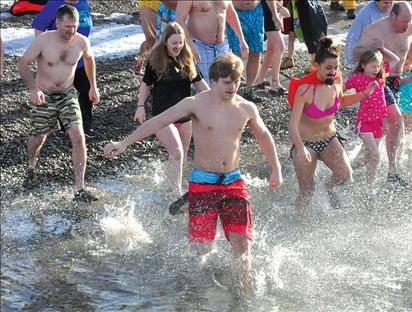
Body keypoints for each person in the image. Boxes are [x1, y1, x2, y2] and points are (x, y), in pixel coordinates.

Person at [104, 53, 283, 291]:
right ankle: (199, 296)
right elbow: (158, 121)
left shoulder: (246, 108)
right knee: (202, 250)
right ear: (214, 80)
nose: (233, 86)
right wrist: (124, 143)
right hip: (203, 183)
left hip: (233, 182)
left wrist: (276, 169)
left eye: (237, 81)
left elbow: (264, 136)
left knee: (242, 244)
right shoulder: (195, 104)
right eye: (227, 82)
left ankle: (242, 295)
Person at [18, 5, 99, 202]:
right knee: (39, 137)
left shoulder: (81, 42)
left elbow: (89, 59)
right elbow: (22, 63)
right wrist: (33, 89)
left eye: (75, 26)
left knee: (78, 137)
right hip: (44, 94)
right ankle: (31, 164)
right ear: (58, 23)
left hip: (67, 94)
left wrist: (93, 86)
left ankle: (79, 189)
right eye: (67, 27)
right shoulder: (44, 41)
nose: (71, 31)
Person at [288, 37, 368, 209]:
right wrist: (300, 148)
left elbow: (342, 100)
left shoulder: (337, 82)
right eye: (328, 68)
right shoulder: (305, 90)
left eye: (336, 67)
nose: (333, 72)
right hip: (306, 144)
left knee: (345, 174)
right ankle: (300, 224)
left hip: (329, 139)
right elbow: (292, 125)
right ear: (316, 66)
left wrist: (363, 95)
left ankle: (329, 187)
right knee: (307, 192)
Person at [132, 22, 208, 195]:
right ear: (165, 41)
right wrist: (140, 106)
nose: (178, 46)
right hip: (163, 117)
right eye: (174, 42)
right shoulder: (155, 60)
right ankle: (176, 192)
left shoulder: (187, 59)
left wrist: (218, 100)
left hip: (185, 117)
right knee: (177, 152)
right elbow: (145, 85)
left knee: (179, 157)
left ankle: (168, 187)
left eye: (181, 42)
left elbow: (200, 85)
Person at [353, 1, 412, 185]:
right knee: (397, 120)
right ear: (393, 16)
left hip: (397, 81)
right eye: (403, 22)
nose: (406, 26)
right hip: (381, 80)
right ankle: (392, 172)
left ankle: (350, 166)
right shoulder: (376, 30)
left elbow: (410, 42)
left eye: (409, 22)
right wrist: (370, 49)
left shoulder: (409, 28)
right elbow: (355, 52)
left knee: (384, 131)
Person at [32, 0, 97, 139]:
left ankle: (85, 127)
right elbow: (38, 27)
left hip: (80, 60)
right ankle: (63, 128)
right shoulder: (53, 5)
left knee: (86, 92)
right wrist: (47, 49)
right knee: (62, 94)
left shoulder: (83, 3)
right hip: (60, 63)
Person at [345, 49, 399, 183]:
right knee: (375, 154)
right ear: (363, 65)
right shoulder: (357, 78)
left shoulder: (380, 76)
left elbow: (395, 60)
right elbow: (340, 90)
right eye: (373, 66)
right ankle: (368, 184)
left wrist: (382, 50)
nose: (376, 69)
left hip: (379, 122)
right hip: (365, 122)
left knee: (367, 156)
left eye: (378, 65)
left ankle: (351, 172)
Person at [175, 0, 249, 86]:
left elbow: (231, 14)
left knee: (225, 84)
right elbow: (179, 19)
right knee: (203, 88)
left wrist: (241, 39)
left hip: (221, 46)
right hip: (198, 46)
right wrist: (190, 45)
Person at [228, 0, 264, 102]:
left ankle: (249, 89)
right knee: (235, 54)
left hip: (256, 12)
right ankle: (231, 89)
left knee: (256, 52)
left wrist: (275, 13)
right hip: (235, 12)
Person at [345, 0, 394, 65]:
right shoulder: (365, 14)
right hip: (369, 55)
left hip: (388, 52)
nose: (389, 6)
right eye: (385, 3)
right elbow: (353, 35)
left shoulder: (395, 8)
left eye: (391, 2)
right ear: (376, 1)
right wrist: (351, 59)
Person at [257, 0, 290, 95]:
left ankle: (261, 79)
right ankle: (275, 84)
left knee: (271, 48)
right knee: (280, 47)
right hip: (269, 9)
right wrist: (278, 10)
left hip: (271, 9)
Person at [134, 0, 160, 74]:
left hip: (164, 6)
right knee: (153, 40)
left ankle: (139, 62)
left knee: (153, 41)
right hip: (149, 5)